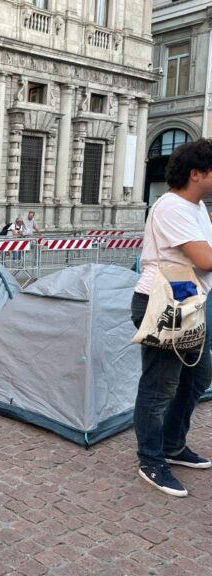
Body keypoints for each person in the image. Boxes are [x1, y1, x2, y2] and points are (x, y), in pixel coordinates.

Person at [131, 138, 212, 498]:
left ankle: (173, 445)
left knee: (197, 378)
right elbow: (206, 259)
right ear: (197, 174)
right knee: (159, 386)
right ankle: (151, 459)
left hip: (190, 305)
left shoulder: (197, 207)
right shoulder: (172, 207)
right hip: (163, 305)